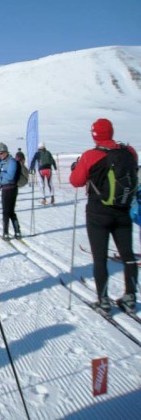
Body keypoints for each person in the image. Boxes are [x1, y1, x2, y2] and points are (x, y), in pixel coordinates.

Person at [70, 118, 138, 313]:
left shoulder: (90, 155)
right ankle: (130, 297)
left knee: (100, 258)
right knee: (128, 255)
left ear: (94, 135)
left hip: (97, 213)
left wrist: (78, 168)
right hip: (123, 210)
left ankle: (104, 300)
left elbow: (76, 181)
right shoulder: (129, 152)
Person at [0, 142, 21, 240]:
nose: (0, 155)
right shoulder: (3, 161)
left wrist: (1, 172)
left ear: (6, 152)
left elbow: (10, 176)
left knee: (6, 212)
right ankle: (17, 231)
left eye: (1, 153)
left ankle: (6, 233)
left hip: (10, 188)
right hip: (5, 188)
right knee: (9, 211)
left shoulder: (12, 162)